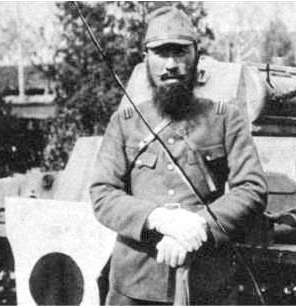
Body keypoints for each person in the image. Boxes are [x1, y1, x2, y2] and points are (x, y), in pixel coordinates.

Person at [90, 6, 268, 305]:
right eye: (161, 53)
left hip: (207, 283)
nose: (171, 64)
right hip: (135, 284)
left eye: (180, 52)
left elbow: (252, 188)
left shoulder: (225, 118)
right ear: (146, 58)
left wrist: (199, 226)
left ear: (196, 55)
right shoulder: (124, 122)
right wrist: (158, 220)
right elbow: (102, 193)